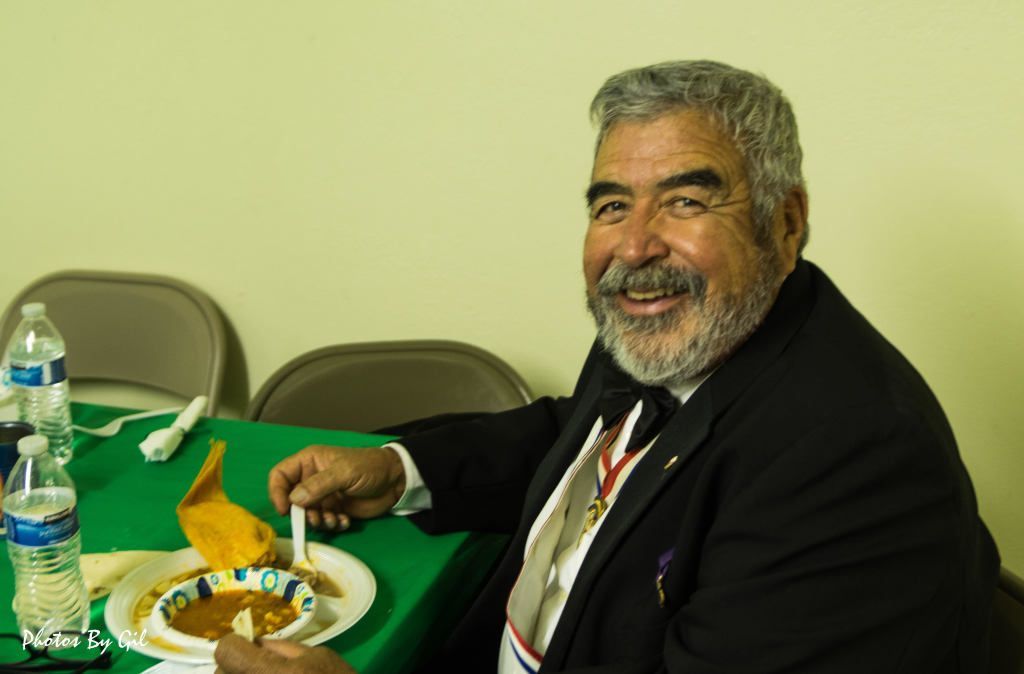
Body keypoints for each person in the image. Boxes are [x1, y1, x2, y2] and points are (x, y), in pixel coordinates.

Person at [215, 60, 999, 673]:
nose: (633, 246)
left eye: (686, 202)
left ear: (784, 223)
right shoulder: (691, 323)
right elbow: (584, 428)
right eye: (611, 204)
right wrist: (402, 467)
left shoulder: (853, 459)